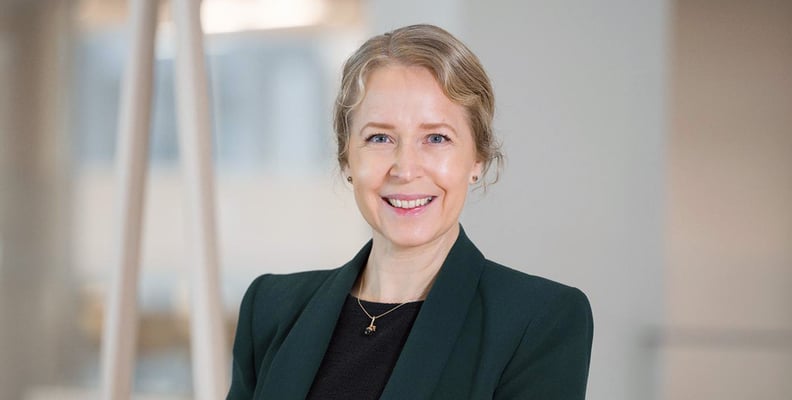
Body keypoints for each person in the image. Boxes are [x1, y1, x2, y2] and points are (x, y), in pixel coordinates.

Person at [226, 24, 593, 400]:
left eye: (436, 138)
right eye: (380, 138)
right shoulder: (271, 308)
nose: (405, 168)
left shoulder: (539, 320)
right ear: (347, 158)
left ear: (477, 159)